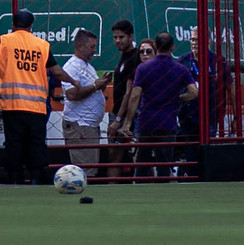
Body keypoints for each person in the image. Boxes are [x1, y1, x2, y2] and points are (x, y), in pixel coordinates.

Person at [0, 10, 53, 185]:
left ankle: (15, 178)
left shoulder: (4, 42)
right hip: (36, 107)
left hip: (12, 105)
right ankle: (36, 178)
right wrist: (75, 81)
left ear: (13, 24)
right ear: (31, 26)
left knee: (14, 143)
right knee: (36, 143)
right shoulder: (42, 45)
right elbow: (57, 71)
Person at [122, 33, 198, 178]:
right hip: (168, 122)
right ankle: (164, 192)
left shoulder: (143, 68)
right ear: (172, 47)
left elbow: (135, 95)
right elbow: (194, 92)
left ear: (156, 47)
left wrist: (128, 122)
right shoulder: (180, 69)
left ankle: (140, 192)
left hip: (146, 121)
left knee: (142, 163)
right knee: (164, 163)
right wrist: (178, 98)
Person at [58, 28, 110, 166]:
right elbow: (71, 94)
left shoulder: (88, 67)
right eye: (91, 47)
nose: (94, 50)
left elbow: (91, 89)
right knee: (84, 169)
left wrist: (101, 85)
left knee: (90, 167)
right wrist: (95, 86)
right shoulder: (71, 67)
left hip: (88, 126)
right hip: (80, 126)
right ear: (80, 46)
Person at [103, 21, 142, 179]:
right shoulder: (124, 57)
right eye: (115, 37)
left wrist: (119, 119)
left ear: (131, 36)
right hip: (118, 113)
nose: (117, 41)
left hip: (127, 115)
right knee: (115, 156)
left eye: (121, 37)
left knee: (124, 156)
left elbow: (130, 92)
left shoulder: (135, 57)